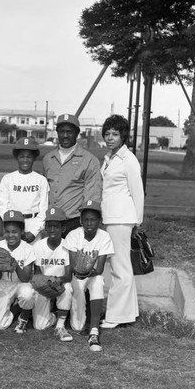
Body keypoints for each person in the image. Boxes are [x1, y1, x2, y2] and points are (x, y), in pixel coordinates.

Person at [100, 115, 144, 329]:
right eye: (107, 134)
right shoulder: (109, 157)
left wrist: (138, 222)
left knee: (120, 267)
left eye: (114, 134)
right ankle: (128, 313)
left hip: (122, 218)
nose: (110, 138)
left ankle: (116, 317)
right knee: (121, 266)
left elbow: (138, 192)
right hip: (111, 217)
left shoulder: (129, 159)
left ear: (123, 136)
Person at [64, 200, 115, 352]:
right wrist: (81, 269)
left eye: (93, 219)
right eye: (86, 219)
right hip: (77, 276)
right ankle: (80, 319)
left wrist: (87, 269)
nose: (89, 223)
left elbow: (99, 269)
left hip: (92, 275)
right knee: (77, 326)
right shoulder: (74, 235)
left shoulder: (104, 236)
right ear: (80, 221)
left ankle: (94, 330)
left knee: (98, 282)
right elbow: (73, 265)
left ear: (99, 221)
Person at [42, 114, 101, 237]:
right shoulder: (48, 159)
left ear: (77, 133)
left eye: (69, 132)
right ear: (57, 132)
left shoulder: (89, 160)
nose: (65, 136)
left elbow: (92, 196)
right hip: (51, 222)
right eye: (61, 131)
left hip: (74, 223)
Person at [32, 207, 74, 341]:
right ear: (45, 227)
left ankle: (60, 326)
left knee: (68, 288)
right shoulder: (38, 246)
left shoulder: (68, 246)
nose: (52, 230)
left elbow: (68, 275)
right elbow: (38, 274)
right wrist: (45, 284)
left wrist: (57, 280)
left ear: (63, 228)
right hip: (44, 285)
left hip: (61, 283)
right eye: (49, 226)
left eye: (56, 226)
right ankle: (54, 316)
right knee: (39, 326)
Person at [0, 137, 49, 243]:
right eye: (22, 156)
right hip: (13, 225)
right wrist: (13, 227)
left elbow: (44, 210)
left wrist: (34, 231)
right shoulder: (8, 179)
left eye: (29, 157)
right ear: (17, 157)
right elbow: (2, 206)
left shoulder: (41, 180)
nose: (25, 160)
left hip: (33, 224)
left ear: (34, 158)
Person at [0, 211, 36, 334]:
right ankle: (15, 308)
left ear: (22, 231)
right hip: (4, 284)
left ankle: (24, 316)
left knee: (27, 293)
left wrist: (15, 265)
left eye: (15, 231)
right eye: (7, 231)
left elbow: (26, 278)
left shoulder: (28, 248)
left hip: (21, 284)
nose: (10, 235)